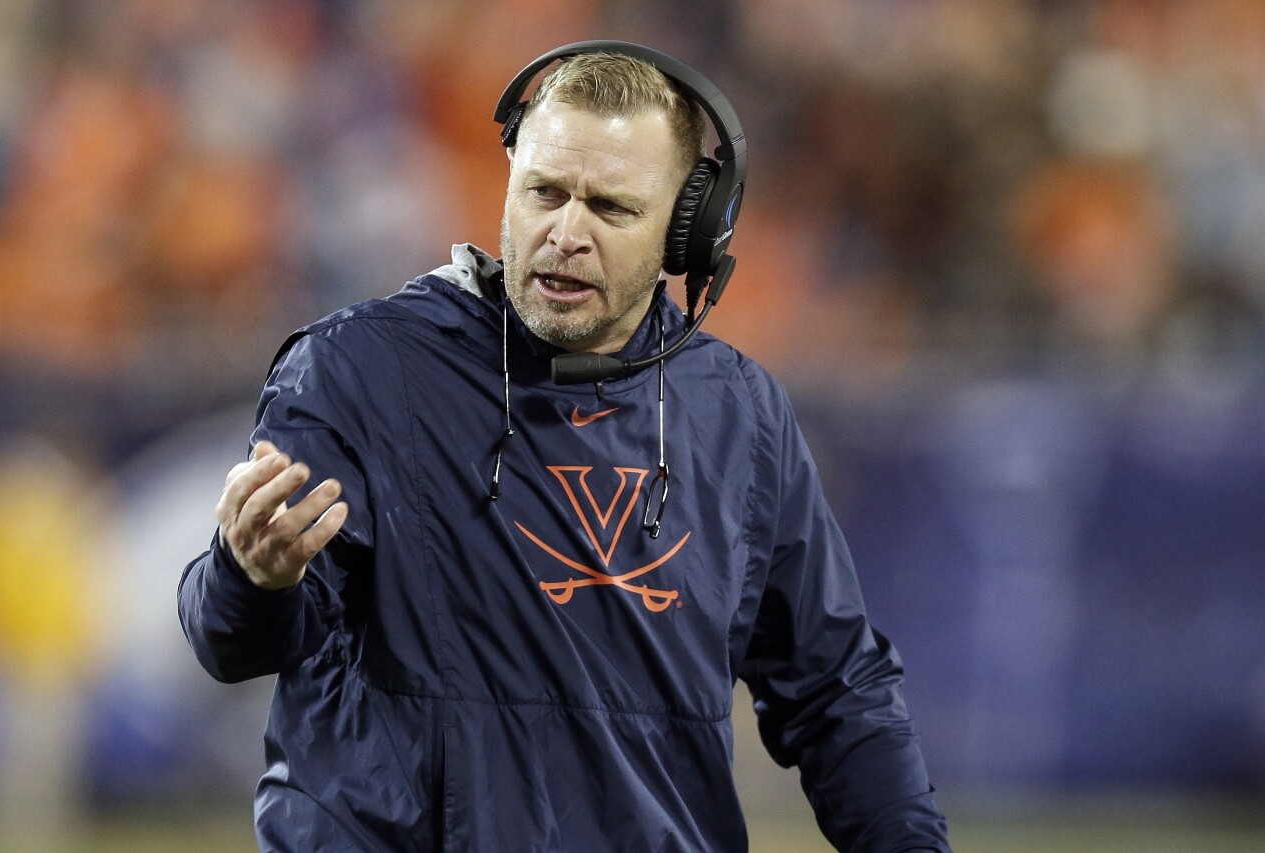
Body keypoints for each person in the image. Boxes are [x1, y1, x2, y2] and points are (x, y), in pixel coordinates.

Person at [178, 41, 951, 852]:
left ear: (686, 231)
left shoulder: (741, 414)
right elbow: (226, 641)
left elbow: (837, 691)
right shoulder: (360, 369)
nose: (565, 233)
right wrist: (251, 577)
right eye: (544, 193)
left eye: (611, 208)